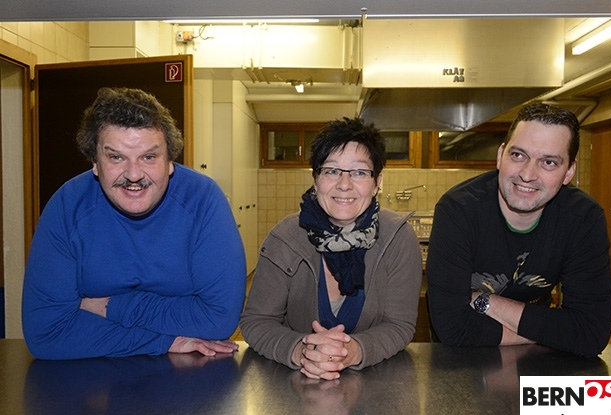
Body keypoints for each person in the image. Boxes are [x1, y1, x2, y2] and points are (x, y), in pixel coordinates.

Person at [22, 87, 247, 360]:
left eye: (148, 157)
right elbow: (46, 334)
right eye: (116, 157)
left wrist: (107, 306)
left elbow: (219, 320)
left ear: (170, 161)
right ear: (95, 162)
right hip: (92, 379)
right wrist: (165, 340)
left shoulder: (202, 200)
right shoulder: (67, 207)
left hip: (190, 374)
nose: (133, 175)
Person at [426, 102, 611, 358]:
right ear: (500, 155)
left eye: (548, 162)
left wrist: (485, 302)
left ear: (569, 171)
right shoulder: (458, 210)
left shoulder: (583, 219)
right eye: (518, 155)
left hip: (537, 363)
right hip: (462, 360)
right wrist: (553, 332)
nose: (527, 174)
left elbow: (591, 333)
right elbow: (452, 328)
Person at [239, 117, 423, 380]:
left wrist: (355, 351)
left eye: (359, 172)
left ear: (377, 182)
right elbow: (256, 321)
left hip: (377, 386)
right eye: (332, 170)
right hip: (291, 388)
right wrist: (301, 350)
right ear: (316, 179)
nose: (344, 184)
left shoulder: (398, 238)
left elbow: (399, 325)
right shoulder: (285, 238)